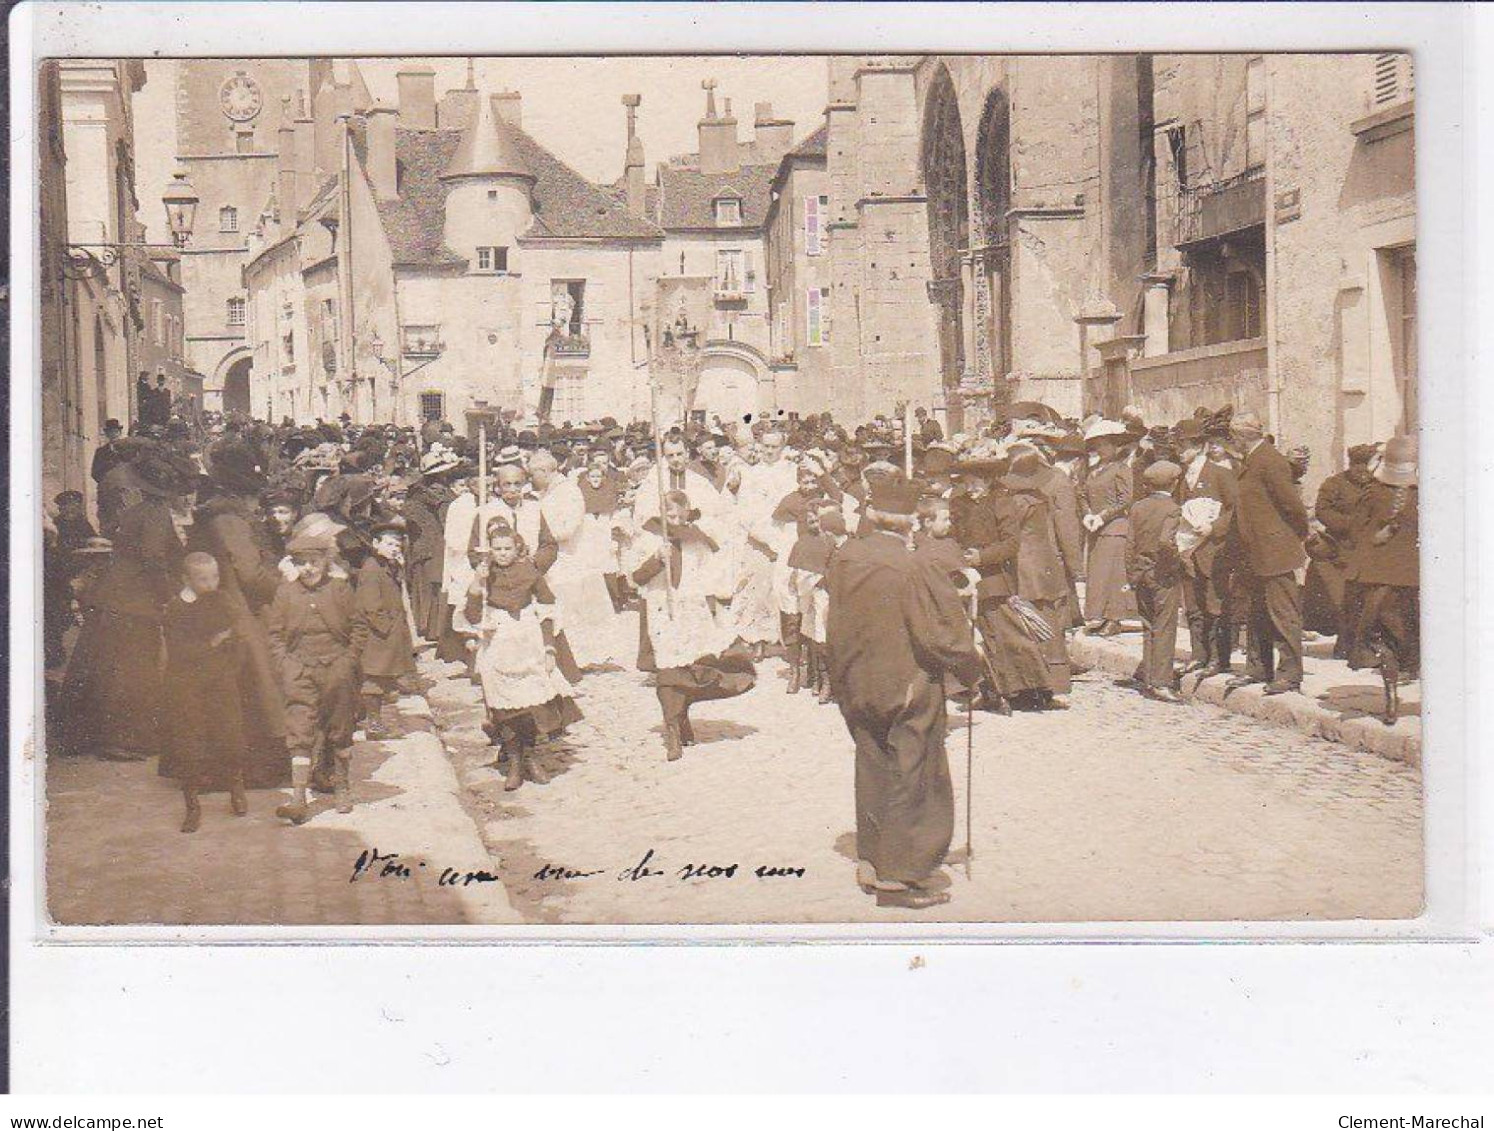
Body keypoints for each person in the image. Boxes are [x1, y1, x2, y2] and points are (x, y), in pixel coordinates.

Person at [826, 473, 984, 910]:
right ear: (913, 520)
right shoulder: (916, 566)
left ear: (872, 514)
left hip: (856, 678)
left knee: (872, 762)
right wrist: (972, 668)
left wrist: (838, 677)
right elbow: (940, 635)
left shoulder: (844, 557)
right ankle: (899, 877)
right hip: (907, 682)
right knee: (914, 770)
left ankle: (873, 859)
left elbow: (832, 622)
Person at [57, 453, 189, 759]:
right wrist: (168, 596)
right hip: (134, 600)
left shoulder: (137, 510)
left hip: (113, 595)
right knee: (133, 669)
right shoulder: (156, 513)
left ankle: (95, 736)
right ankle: (122, 739)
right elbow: (154, 558)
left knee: (105, 665)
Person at [191, 440, 290, 787]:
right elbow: (250, 575)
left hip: (216, 608)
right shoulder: (230, 521)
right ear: (243, 493)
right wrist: (285, 585)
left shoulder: (211, 514)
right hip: (236, 611)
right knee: (256, 683)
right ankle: (248, 768)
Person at [628, 490, 755, 762]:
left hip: (691, 609)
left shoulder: (696, 539)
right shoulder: (649, 537)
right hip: (662, 608)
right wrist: (655, 561)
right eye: (668, 514)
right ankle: (672, 730)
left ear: (687, 512)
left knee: (693, 669)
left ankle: (683, 714)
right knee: (668, 670)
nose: (673, 519)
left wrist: (715, 605)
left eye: (678, 514)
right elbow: (634, 578)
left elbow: (710, 575)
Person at [464, 520, 582, 790]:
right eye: (497, 549)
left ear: (517, 549)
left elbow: (548, 609)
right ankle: (515, 764)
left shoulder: (530, 572)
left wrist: (549, 646)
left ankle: (529, 758)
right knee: (506, 710)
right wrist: (476, 583)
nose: (502, 553)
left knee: (531, 707)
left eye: (507, 548)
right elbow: (471, 615)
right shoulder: (484, 575)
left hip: (528, 641)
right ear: (490, 550)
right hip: (498, 644)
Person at [268, 521, 367, 823]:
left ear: (326, 561)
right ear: (294, 565)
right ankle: (299, 797)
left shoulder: (339, 590)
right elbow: (274, 634)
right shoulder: (285, 594)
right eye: (302, 563)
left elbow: (358, 628)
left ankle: (342, 786)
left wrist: (348, 661)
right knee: (299, 730)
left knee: (340, 727)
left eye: (314, 562)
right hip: (299, 670)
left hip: (336, 669)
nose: (309, 568)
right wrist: (285, 664)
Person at [163, 552, 248, 832]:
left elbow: (238, 633)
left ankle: (236, 788)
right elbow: (179, 649)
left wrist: (230, 664)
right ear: (186, 579)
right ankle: (192, 805)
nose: (210, 584)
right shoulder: (178, 607)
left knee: (230, 735)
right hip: (187, 683)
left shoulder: (223, 600)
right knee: (190, 741)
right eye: (202, 579)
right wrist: (213, 642)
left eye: (214, 577)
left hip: (220, 679)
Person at [1227, 411, 1310, 695]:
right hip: (1254, 552)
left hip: (1275, 551)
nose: (1232, 442)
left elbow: (1293, 507)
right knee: (1257, 613)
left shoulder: (1270, 461)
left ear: (1240, 437)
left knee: (1283, 614)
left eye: (1233, 437)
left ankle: (1290, 674)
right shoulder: (1251, 461)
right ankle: (1258, 668)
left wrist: (1291, 538)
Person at [1346, 435, 1419, 722]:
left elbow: (1354, 531)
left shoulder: (1372, 493)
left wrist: (1377, 536)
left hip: (1378, 581)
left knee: (1382, 638)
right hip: (1413, 580)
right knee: (1411, 638)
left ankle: (1390, 700)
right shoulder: (1426, 494)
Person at [1177, 423, 1239, 675]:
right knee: (1193, 604)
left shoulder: (1220, 474)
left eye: (1184, 446)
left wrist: (1214, 528)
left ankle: (1218, 658)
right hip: (1189, 550)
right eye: (1178, 445)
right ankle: (1198, 654)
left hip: (1213, 549)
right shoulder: (1184, 477)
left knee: (1215, 604)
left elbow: (1234, 509)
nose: (1179, 451)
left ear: (1198, 446)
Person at [1309, 444, 1377, 659]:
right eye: (1358, 467)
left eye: (1366, 467)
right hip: (1340, 550)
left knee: (1367, 600)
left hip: (1370, 549)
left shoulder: (1377, 485)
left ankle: (1362, 646)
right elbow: (1322, 510)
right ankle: (1346, 645)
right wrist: (1348, 525)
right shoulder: (1334, 484)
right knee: (1342, 600)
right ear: (1351, 465)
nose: (1363, 473)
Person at [1126, 460, 1186, 703]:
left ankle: (1149, 676)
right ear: (1173, 484)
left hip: (1140, 572)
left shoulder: (1138, 507)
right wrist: (1175, 562)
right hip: (1162, 573)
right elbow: (1165, 542)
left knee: (1148, 625)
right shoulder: (1172, 508)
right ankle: (1161, 682)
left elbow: (1129, 544)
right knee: (1165, 627)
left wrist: (1131, 574)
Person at [355, 521, 416, 740]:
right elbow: (372, 607)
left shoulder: (387, 566)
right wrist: (388, 629)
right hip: (378, 636)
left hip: (388, 633)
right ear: (375, 544)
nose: (394, 549)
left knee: (381, 679)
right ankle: (373, 724)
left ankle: (374, 720)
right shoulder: (371, 569)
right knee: (374, 680)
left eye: (398, 545)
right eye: (389, 544)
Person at [1080, 419, 1138, 634]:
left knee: (1114, 574)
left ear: (1115, 446)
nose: (1102, 449)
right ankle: (1102, 615)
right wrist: (1087, 514)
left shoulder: (1121, 469)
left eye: (1106, 444)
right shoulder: (1093, 470)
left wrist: (1103, 516)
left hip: (1115, 527)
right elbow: (1082, 494)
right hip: (1095, 528)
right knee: (1098, 574)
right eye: (1099, 444)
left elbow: (1125, 499)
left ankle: (1115, 618)